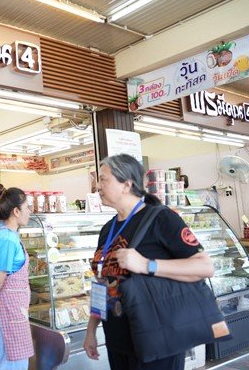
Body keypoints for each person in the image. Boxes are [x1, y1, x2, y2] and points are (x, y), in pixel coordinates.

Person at [83, 154, 214, 370]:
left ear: (126, 185)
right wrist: (91, 330)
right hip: (117, 339)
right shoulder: (108, 229)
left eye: (104, 179)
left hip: (158, 338)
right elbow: (102, 283)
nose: (97, 186)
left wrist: (146, 264)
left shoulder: (162, 218)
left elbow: (205, 266)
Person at [0, 182, 34, 370]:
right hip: (9, 310)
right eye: (27, 207)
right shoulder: (7, 239)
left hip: (12, 310)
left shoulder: (1, 233)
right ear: (16, 211)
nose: (30, 211)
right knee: (12, 363)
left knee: (12, 359)